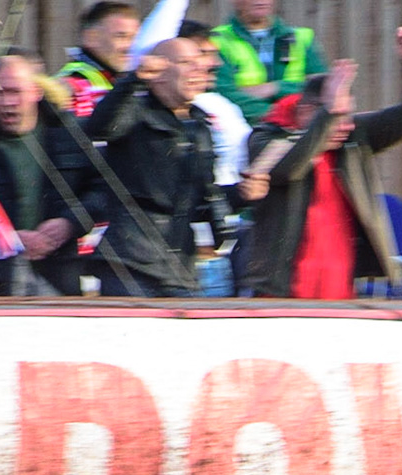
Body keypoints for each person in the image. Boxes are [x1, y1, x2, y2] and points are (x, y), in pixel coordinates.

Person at [243, 28, 402, 300]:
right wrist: (327, 116)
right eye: (337, 115)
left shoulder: (351, 137)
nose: (344, 125)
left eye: (347, 114)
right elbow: (287, 169)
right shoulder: (269, 136)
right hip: (281, 292)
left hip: (341, 292)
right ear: (305, 111)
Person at [83, 24, 266, 298]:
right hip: (132, 260)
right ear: (158, 73)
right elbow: (100, 128)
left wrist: (241, 194)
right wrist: (133, 80)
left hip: (180, 265)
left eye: (200, 63)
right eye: (186, 63)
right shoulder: (135, 109)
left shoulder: (199, 125)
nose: (199, 70)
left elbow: (202, 202)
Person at [0, 54, 103, 296]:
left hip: (59, 266)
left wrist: (69, 223)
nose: (8, 102)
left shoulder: (69, 132)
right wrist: (4, 237)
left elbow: (101, 190)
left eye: (16, 92)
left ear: (36, 92)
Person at [211, 0, 329, 125]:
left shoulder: (301, 37)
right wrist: (278, 114)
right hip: (244, 127)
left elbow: (322, 88)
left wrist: (275, 88)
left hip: (301, 127)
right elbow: (224, 93)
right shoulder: (218, 40)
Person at [59, 0, 141, 119]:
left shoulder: (121, 78)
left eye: (134, 38)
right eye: (121, 36)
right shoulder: (75, 85)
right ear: (92, 37)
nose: (130, 47)